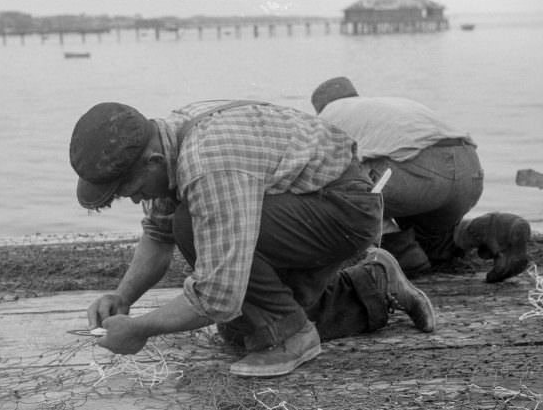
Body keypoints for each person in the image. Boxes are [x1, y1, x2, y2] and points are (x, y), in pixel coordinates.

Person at [69, 100, 436, 378]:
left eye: (130, 189)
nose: (134, 199)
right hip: (302, 203)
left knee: (192, 227)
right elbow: (157, 235)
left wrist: (141, 329)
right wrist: (122, 297)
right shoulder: (167, 144)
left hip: (344, 209)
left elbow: (218, 294)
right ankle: (374, 282)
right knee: (241, 331)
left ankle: (292, 338)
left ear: (151, 161)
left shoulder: (207, 163)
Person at [311, 77, 531, 282]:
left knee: (334, 189)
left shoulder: (327, 118)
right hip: (469, 169)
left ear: (320, 106)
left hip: (417, 173)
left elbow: (316, 175)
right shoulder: (385, 104)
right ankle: (492, 228)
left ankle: (399, 252)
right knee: (433, 242)